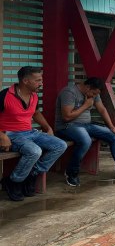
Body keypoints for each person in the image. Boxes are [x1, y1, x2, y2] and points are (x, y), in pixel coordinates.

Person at [55, 77, 115, 187]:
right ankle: (71, 172)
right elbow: (67, 117)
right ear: (87, 87)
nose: (95, 96)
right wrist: (85, 105)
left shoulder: (93, 93)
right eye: (94, 93)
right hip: (67, 127)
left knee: (114, 135)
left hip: (87, 125)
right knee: (85, 141)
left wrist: (112, 127)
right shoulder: (69, 92)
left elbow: (102, 110)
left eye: (96, 94)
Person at [0, 66, 68, 202]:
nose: (41, 83)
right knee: (34, 151)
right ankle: (14, 181)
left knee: (60, 145)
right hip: (11, 134)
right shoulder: (5, 95)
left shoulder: (34, 95)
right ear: (25, 81)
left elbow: (36, 113)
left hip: (30, 132)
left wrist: (48, 127)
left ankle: (32, 174)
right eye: (38, 80)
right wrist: (2, 136)